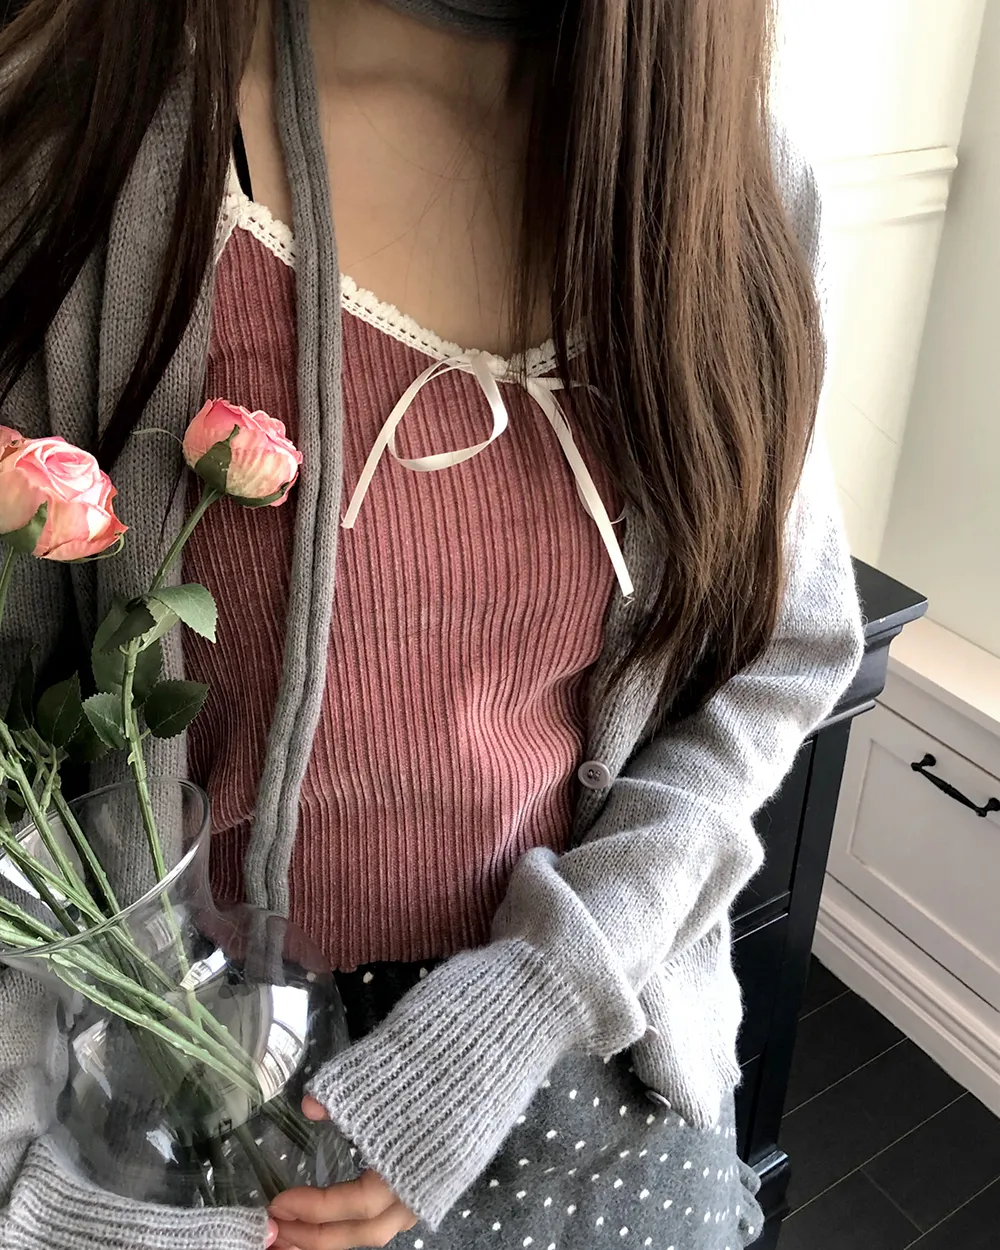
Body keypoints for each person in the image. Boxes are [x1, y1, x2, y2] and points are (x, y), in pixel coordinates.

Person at [0, 1, 864, 1247]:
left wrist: (531, 999)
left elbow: (778, 652)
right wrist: (30, 1196)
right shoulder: (79, 146)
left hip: (574, 1032)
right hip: (169, 1075)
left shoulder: (739, 187)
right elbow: (13, 738)